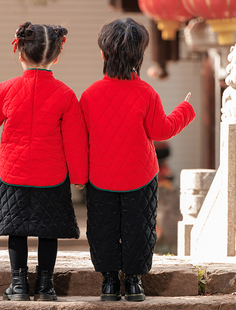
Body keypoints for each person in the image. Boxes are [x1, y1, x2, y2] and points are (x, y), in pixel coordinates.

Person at [80, 18, 195, 302]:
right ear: (139, 55)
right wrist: (185, 108)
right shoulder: (146, 93)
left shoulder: (90, 95)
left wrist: (80, 177)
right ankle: (133, 283)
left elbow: (81, 140)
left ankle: (108, 283)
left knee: (103, 229)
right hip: (140, 177)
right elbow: (161, 130)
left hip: (101, 177)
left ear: (104, 54)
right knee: (140, 229)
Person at [0, 21, 88, 302]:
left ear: (20, 53)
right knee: (49, 231)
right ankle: (46, 286)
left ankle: (19, 285)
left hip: (14, 172)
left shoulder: (7, 89)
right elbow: (75, 139)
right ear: (57, 56)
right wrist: (80, 177)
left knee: (17, 230)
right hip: (52, 174)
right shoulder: (66, 94)